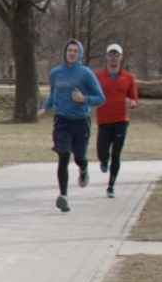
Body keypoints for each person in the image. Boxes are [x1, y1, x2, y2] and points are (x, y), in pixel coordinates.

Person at [39, 39, 105, 213]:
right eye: (70, 50)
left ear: (79, 54)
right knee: (63, 156)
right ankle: (63, 196)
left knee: (79, 157)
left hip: (81, 121)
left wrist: (84, 99)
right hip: (62, 121)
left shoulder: (86, 74)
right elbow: (53, 94)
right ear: (65, 52)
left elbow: (100, 98)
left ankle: (83, 168)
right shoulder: (56, 73)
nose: (72, 53)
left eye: (76, 51)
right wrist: (44, 108)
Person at [94, 43, 138, 198]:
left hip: (121, 121)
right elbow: (92, 94)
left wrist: (131, 103)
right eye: (111, 54)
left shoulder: (128, 77)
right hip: (104, 121)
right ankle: (103, 160)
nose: (113, 58)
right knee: (102, 152)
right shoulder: (98, 76)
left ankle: (111, 186)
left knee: (116, 155)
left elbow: (134, 98)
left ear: (121, 57)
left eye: (116, 55)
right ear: (106, 57)